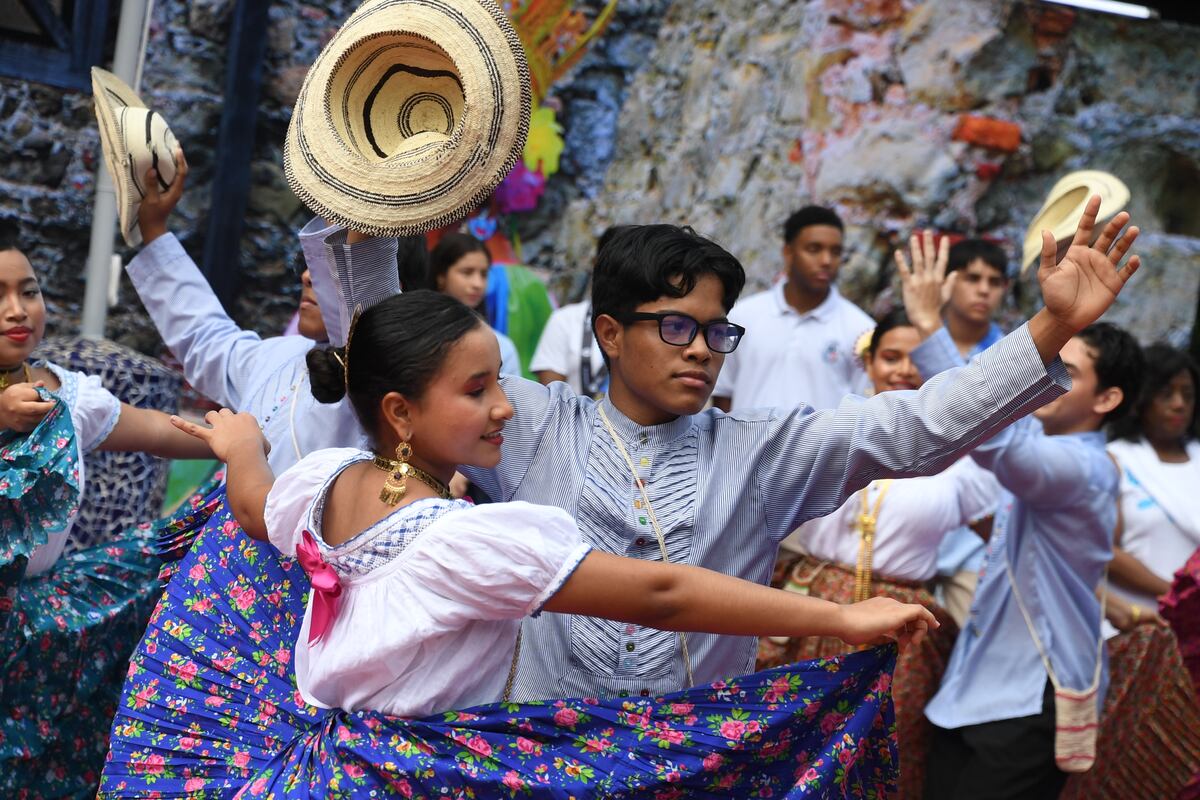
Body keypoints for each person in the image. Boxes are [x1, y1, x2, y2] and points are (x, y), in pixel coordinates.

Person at [107, 289, 933, 796]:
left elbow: (252, 507)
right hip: (406, 778)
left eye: (500, 378)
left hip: (317, 765)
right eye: (478, 389)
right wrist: (852, 620)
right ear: (399, 411)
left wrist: (241, 446)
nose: (507, 405)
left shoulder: (326, 482)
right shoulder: (462, 545)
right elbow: (661, 592)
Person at [461, 197, 1139, 705]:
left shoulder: (760, 453)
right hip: (542, 755)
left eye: (716, 331)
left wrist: (1055, 325)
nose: (701, 349)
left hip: (700, 764)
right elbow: (404, 367)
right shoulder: (529, 423)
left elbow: (921, 424)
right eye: (674, 327)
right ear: (608, 332)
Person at [892, 226, 1141, 799]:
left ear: (1106, 401)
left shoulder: (1087, 468)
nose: (1049, 378)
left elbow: (996, 441)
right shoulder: (1042, 436)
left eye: (1068, 371)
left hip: (1031, 698)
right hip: (971, 690)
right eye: (1051, 360)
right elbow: (994, 410)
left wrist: (932, 326)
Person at [0, 233, 216, 795]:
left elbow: (155, 430)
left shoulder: (65, 396)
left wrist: (245, 441)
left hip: (32, 631)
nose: (17, 310)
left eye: (30, 291)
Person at [757, 306, 1002, 800]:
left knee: (887, 741)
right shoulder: (825, 429)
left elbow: (1003, 538)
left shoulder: (964, 458)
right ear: (868, 362)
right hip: (809, 607)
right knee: (784, 737)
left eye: (917, 359)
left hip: (902, 624)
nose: (905, 370)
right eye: (891, 356)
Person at [126, 150, 403, 476]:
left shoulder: (385, 381)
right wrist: (153, 229)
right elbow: (206, 338)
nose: (306, 276)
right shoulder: (280, 354)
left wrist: (377, 188)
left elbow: (369, 308)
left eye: (332, 264)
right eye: (310, 262)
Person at [712, 205, 873, 413]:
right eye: (814, 249)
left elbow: (864, 410)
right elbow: (723, 392)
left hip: (824, 447)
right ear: (788, 252)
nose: (826, 261)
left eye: (835, 252)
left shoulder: (862, 330)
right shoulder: (742, 317)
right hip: (746, 445)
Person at [931, 237, 1012, 626]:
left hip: (979, 529)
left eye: (994, 281)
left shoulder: (1017, 354)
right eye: (972, 277)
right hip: (905, 518)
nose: (983, 289)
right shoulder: (909, 341)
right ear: (948, 282)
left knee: (974, 639)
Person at [1106, 344, 1200, 613]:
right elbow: (1104, 550)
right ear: (1139, 400)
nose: (1179, 404)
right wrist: (1176, 594)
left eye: (1188, 395)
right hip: (1142, 621)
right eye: (1165, 394)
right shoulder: (1116, 460)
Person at [530, 228, 616, 397]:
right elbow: (552, 399)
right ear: (596, 264)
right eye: (616, 264)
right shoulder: (565, 319)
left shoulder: (652, 323)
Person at [429, 232, 521, 375]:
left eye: (484, 274)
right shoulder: (417, 335)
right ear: (441, 276)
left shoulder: (501, 347)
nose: (478, 284)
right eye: (467, 272)